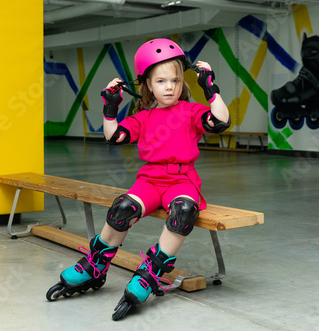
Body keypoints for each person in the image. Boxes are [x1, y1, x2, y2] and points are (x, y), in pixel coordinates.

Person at [49, 38, 230, 320]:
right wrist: (110, 108)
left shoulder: (190, 111)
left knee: (184, 211)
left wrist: (210, 88)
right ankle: (96, 265)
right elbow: (115, 136)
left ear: (182, 82)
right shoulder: (143, 117)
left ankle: (151, 272)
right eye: (160, 81)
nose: (169, 87)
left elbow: (219, 121)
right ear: (147, 84)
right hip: (149, 180)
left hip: (183, 180)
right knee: (122, 208)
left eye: (175, 80)